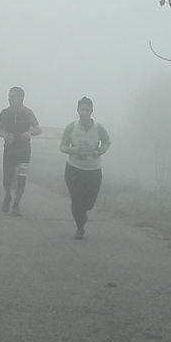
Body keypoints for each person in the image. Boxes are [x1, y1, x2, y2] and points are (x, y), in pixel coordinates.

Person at [60, 96, 111, 239]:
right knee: (77, 201)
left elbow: (107, 142)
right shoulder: (71, 127)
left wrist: (98, 151)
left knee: (88, 204)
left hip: (93, 171)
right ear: (78, 110)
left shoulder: (99, 128)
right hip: (74, 169)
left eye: (87, 110)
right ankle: (80, 227)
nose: (84, 112)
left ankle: (83, 216)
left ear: (91, 111)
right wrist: (73, 150)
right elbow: (62, 146)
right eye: (82, 109)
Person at [0, 86, 41, 216]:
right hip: (9, 148)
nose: (9, 98)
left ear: (21, 97)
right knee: (7, 178)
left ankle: (16, 204)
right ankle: (7, 196)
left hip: (23, 150)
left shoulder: (28, 112)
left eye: (13, 96)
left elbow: (38, 129)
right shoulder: (4, 112)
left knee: (21, 178)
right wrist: (4, 135)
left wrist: (29, 133)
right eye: (9, 96)